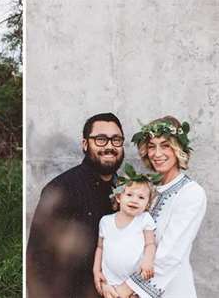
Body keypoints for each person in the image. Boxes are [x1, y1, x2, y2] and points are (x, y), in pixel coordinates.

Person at [104, 116, 207, 298]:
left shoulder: (191, 193)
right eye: (152, 146)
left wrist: (127, 290)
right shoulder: (146, 191)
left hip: (169, 291)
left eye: (165, 145)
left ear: (178, 148)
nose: (157, 154)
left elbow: (170, 255)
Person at [27, 112, 125, 298]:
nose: (110, 146)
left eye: (116, 140)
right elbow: (38, 262)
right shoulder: (61, 189)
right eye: (101, 139)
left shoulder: (126, 192)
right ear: (85, 144)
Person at [93, 163, 160, 296]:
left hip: (134, 282)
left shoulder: (144, 219)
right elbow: (100, 248)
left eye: (141, 197)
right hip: (110, 281)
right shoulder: (106, 221)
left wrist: (148, 260)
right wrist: (96, 270)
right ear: (119, 197)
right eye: (129, 194)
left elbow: (150, 244)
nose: (134, 200)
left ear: (147, 204)